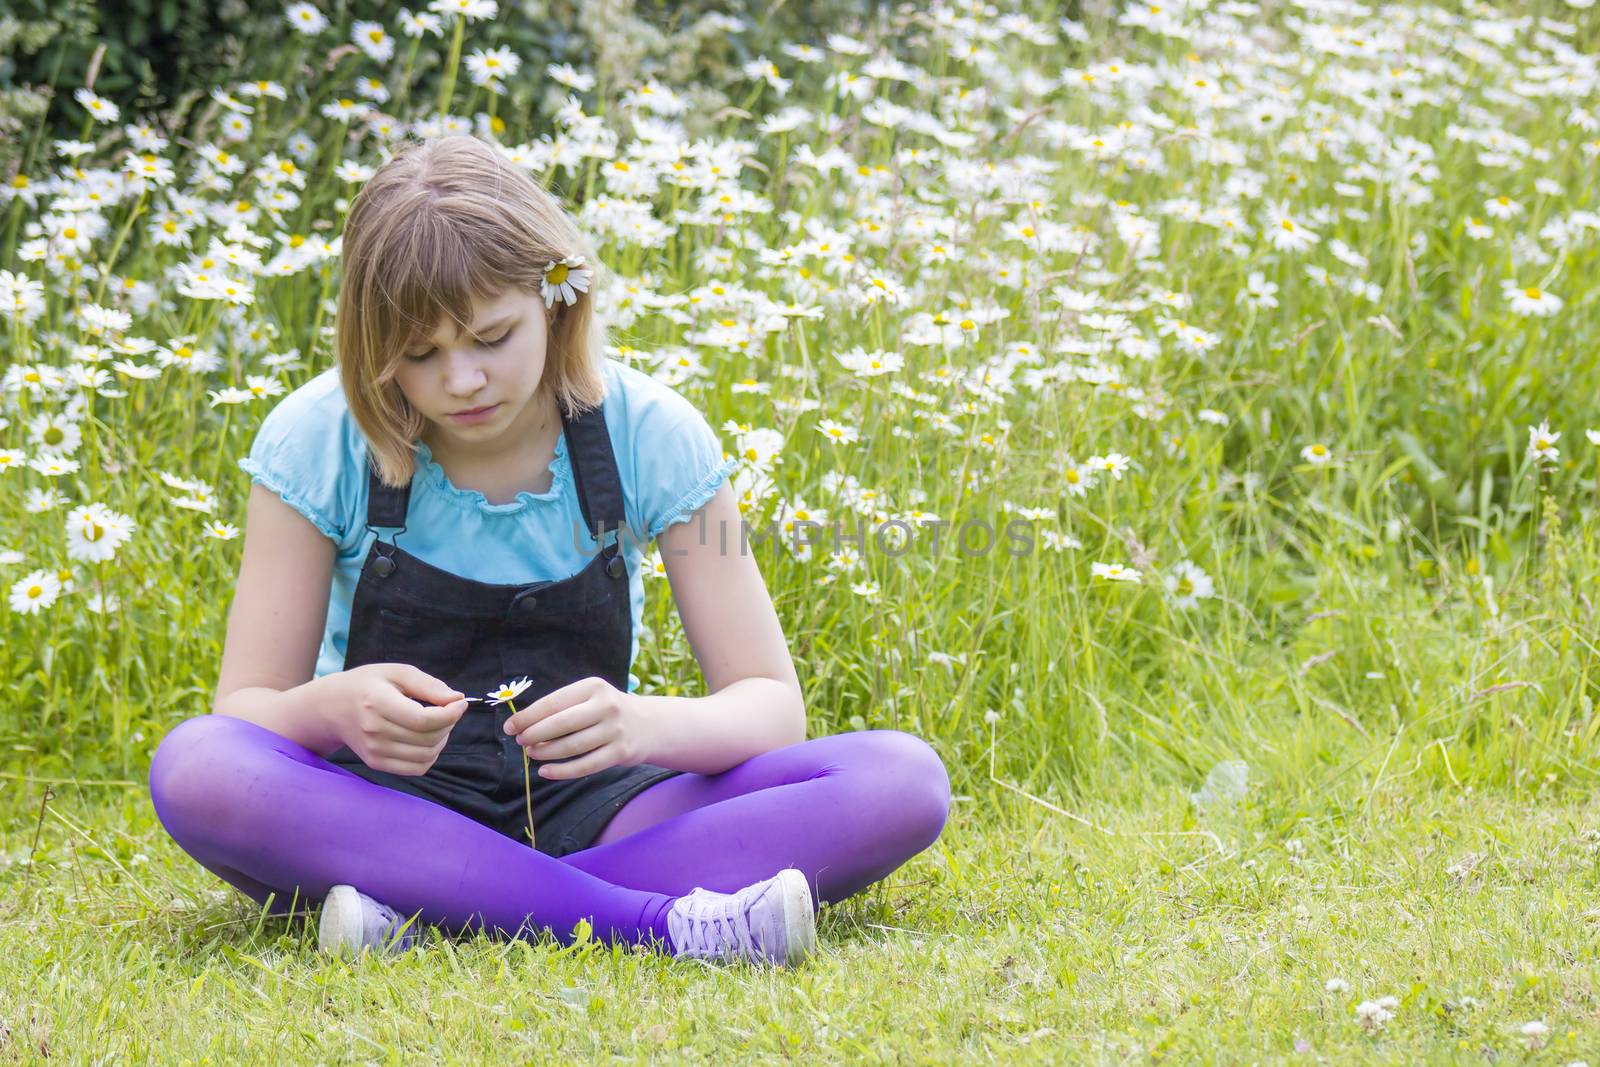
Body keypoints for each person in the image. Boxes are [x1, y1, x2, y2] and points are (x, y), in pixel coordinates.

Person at [147, 134, 951, 967]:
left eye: (493, 337)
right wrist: (331, 707)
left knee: (901, 780)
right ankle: (656, 923)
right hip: (382, 806)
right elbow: (242, 712)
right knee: (197, 765)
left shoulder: (652, 433)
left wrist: (642, 725)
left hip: (598, 807)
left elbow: (771, 708)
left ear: (557, 300)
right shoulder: (317, 439)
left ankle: (434, 911)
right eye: (418, 354)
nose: (461, 380)